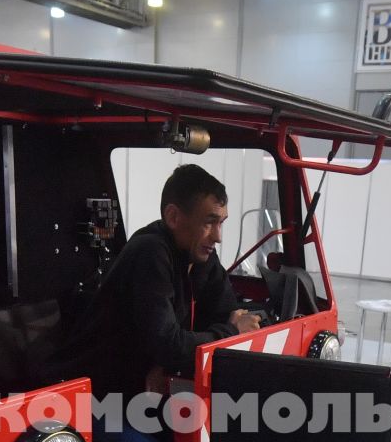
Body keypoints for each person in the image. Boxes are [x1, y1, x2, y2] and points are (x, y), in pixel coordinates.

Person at [56, 162, 261, 420]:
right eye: (209, 223)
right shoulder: (150, 252)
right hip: (97, 403)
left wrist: (166, 362)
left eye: (221, 223)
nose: (218, 236)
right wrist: (228, 333)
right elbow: (171, 345)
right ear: (173, 217)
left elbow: (228, 313)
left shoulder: (199, 255)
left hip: (142, 394)